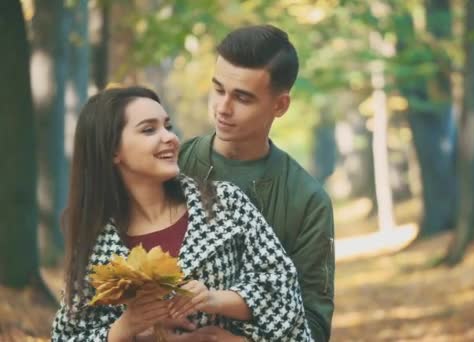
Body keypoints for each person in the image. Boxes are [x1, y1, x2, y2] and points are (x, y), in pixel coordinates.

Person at [51, 86, 312, 341]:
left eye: (168, 126)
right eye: (149, 129)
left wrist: (214, 300)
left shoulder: (224, 202)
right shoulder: (95, 241)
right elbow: (66, 336)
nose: (170, 138)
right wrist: (125, 328)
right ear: (112, 151)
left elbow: (282, 290)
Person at [178, 24, 335, 342]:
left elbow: (314, 325)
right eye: (218, 89)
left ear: (280, 105)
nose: (223, 108)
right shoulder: (172, 165)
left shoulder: (306, 200)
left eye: (242, 98)